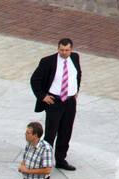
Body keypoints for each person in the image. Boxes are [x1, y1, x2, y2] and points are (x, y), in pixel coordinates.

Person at [30, 38, 81, 170]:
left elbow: (77, 74)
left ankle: (61, 159)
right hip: (55, 101)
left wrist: (75, 90)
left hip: (69, 102)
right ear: (58, 49)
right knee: (50, 133)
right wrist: (43, 96)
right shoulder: (48, 61)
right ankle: (44, 160)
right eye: (61, 50)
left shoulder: (75, 58)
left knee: (66, 131)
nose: (64, 53)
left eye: (67, 50)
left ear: (71, 49)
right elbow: (35, 79)